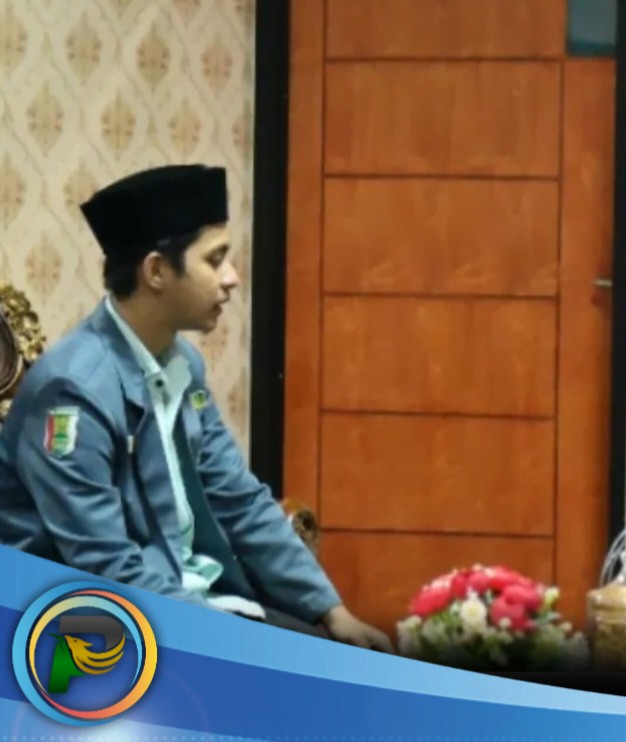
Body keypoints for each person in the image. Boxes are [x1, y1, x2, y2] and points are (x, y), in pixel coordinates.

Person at [0, 164, 393, 651]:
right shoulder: (73, 390)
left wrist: (331, 611)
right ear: (156, 272)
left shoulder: (182, 363)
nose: (232, 279)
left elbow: (239, 498)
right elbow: (106, 566)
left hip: (191, 601)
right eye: (215, 260)